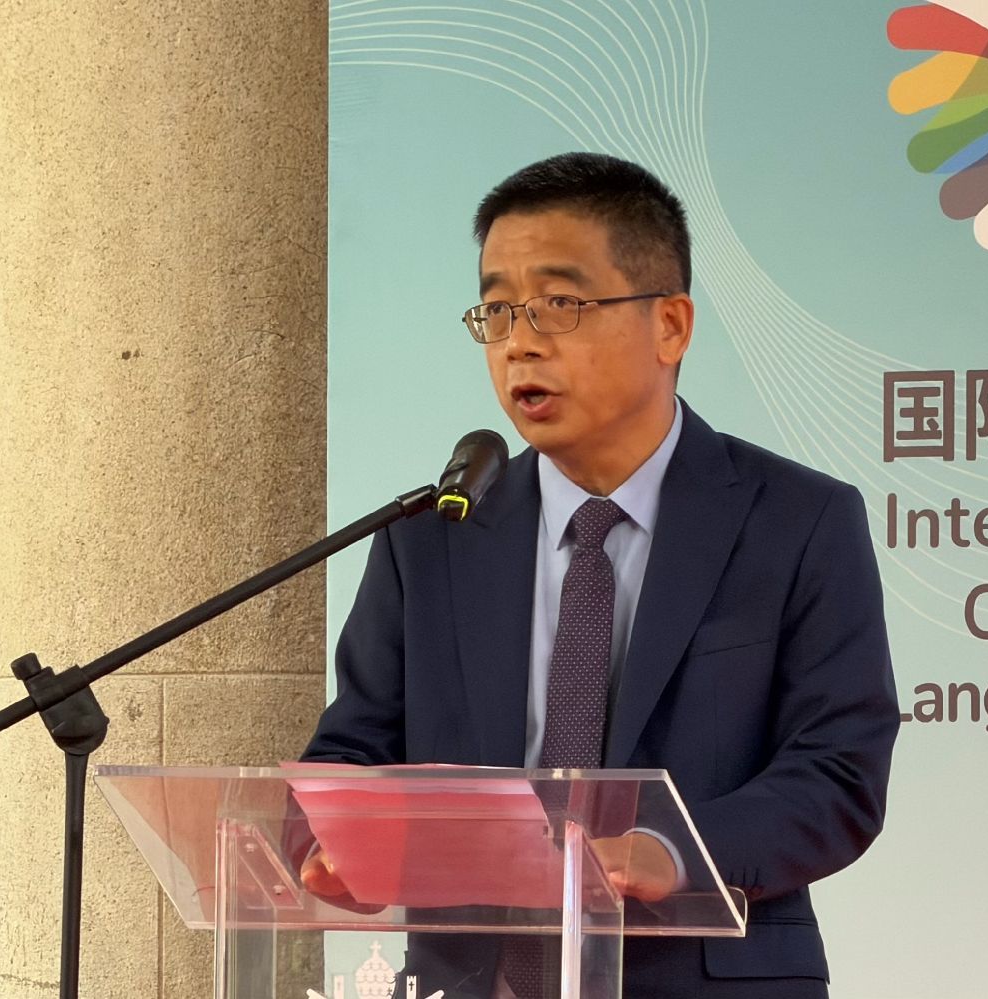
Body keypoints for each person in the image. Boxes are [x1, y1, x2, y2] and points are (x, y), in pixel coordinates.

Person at [301, 152, 898, 998]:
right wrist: (325, 839)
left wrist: (674, 848)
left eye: (560, 304)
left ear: (671, 326)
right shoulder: (430, 539)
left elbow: (838, 771)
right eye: (498, 309)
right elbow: (356, 749)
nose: (520, 341)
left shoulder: (797, 521)